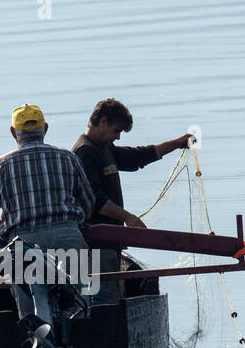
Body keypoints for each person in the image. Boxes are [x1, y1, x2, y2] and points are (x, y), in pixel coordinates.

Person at [0, 104, 97, 348]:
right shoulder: (68, 158)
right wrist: (73, 222)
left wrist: (1, 226)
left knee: (28, 298)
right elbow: (87, 201)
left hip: (24, 242)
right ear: (45, 129)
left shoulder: (0, 166)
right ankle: (87, 347)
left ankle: (39, 347)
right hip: (68, 236)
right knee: (85, 297)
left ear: (13, 132)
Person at [73, 98, 196, 303]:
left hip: (110, 241)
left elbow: (137, 156)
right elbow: (95, 199)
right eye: (116, 130)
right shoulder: (85, 152)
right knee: (102, 302)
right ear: (103, 121)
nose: (118, 136)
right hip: (96, 243)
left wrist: (176, 144)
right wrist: (128, 217)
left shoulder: (105, 147)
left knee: (108, 297)